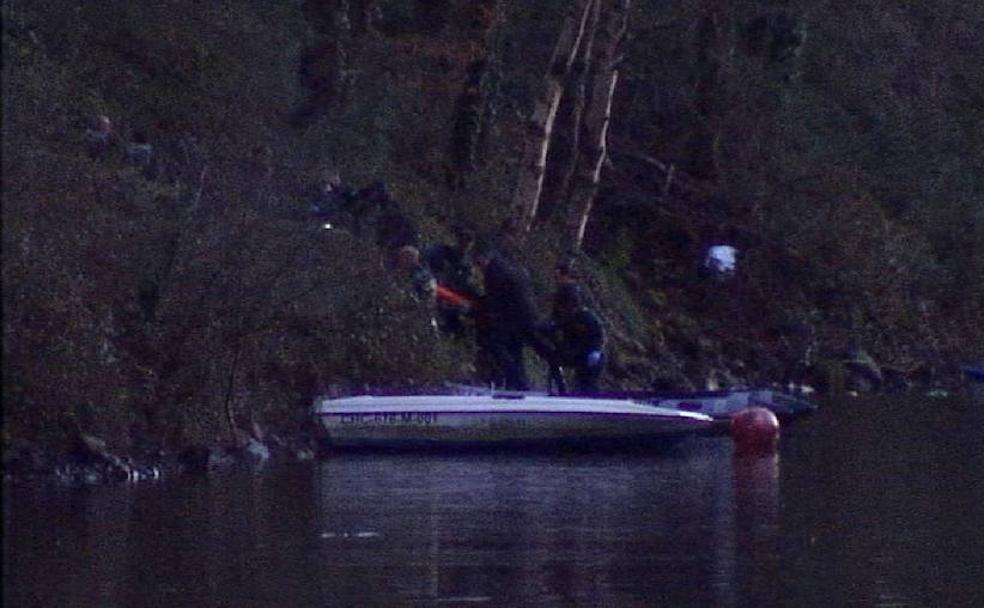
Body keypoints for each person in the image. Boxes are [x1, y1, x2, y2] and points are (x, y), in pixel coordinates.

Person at [473, 241, 555, 391]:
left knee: (495, 343)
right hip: (526, 315)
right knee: (515, 348)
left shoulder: (493, 271)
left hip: (515, 317)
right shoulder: (507, 266)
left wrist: (480, 308)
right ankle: (519, 384)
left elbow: (495, 300)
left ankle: (515, 379)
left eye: (478, 262)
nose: (479, 267)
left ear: (483, 258)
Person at [546, 283, 605, 393]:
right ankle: (559, 387)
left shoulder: (586, 317)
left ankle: (588, 391)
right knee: (555, 360)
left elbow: (598, 336)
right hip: (574, 351)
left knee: (587, 380)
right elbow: (554, 326)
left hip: (589, 353)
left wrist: (595, 351)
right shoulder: (562, 316)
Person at [424, 227, 480, 336]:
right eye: (463, 240)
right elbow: (427, 264)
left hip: (450, 297)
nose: (464, 244)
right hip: (432, 288)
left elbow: (463, 285)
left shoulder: (466, 265)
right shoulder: (441, 251)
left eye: (468, 241)